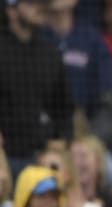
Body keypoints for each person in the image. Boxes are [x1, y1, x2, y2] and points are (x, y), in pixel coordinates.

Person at [0, 0, 74, 170]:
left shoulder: (50, 54)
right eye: (32, 2)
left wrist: (61, 139)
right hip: (4, 157)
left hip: (41, 155)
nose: (40, 7)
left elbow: (63, 108)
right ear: (11, 10)